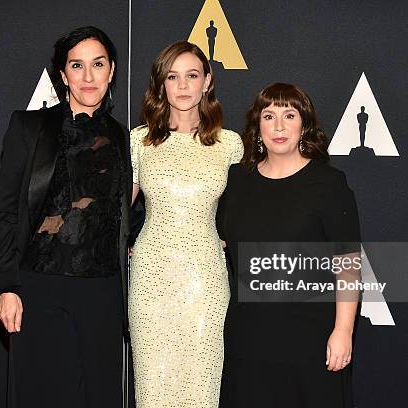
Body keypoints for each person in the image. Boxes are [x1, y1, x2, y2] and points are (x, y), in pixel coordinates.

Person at [0, 26, 132, 408]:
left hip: (103, 293)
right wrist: (7, 285)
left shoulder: (123, 138)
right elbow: (5, 212)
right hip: (41, 287)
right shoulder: (29, 128)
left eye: (97, 64)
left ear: (111, 70)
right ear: (63, 75)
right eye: (77, 66)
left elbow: (123, 211)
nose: (88, 77)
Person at [218, 83, 361, 407]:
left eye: (289, 115)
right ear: (257, 127)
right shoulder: (237, 181)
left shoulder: (328, 184)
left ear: (304, 125)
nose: (279, 126)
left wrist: (343, 331)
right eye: (269, 116)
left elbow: (348, 264)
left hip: (310, 338)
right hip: (248, 336)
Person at [129, 41, 243, 407]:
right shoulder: (138, 142)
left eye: (191, 76)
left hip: (205, 281)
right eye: (172, 76)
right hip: (150, 279)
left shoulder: (230, 145)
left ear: (207, 82)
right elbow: (115, 213)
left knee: (201, 388)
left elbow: (246, 210)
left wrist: (232, 239)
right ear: (161, 84)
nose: (182, 86)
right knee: (153, 388)